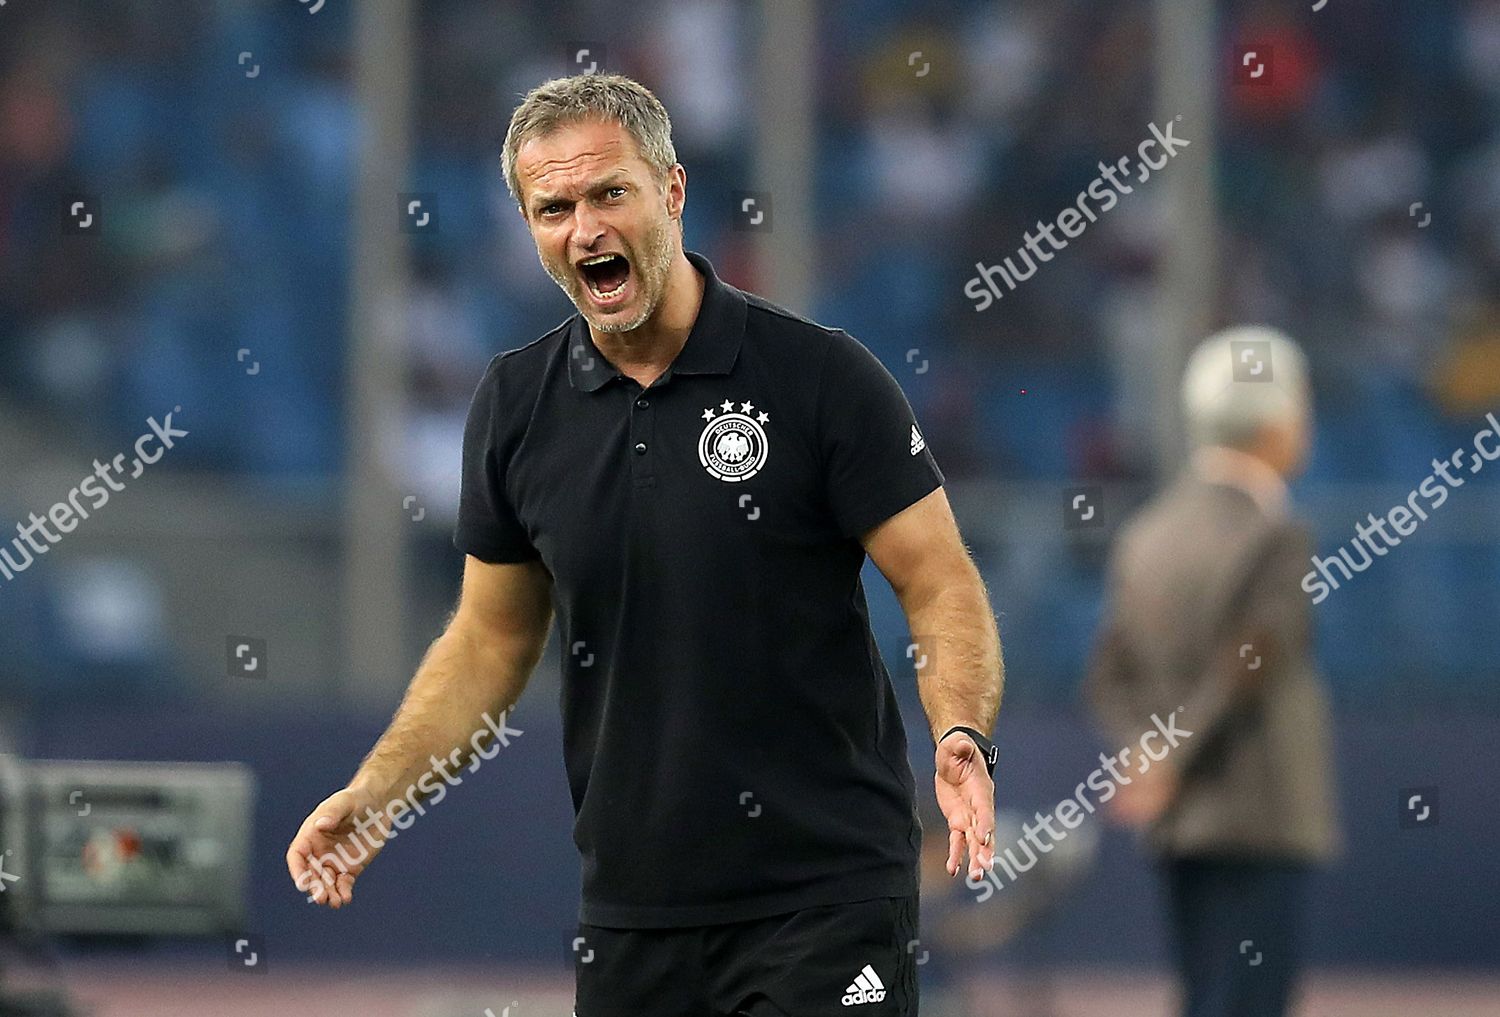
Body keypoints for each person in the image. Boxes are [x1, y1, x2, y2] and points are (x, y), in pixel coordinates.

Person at [286, 73, 1004, 1017]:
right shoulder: (514, 406)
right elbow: (489, 641)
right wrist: (378, 792)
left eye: (607, 193)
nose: (584, 227)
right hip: (635, 912)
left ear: (670, 192)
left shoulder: (820, 376)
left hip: (825, 894)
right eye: (553, 208)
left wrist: (960, 733)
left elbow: (938, 580)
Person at [1085, 326, 1340, 1017]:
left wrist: (1147, 755)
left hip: (1180, 823)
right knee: (1250, 999)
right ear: (1277, 423)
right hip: (1259, 815)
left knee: (1204, 994)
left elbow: (1109, 673)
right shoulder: (1278, 535)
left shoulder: (1146, 534)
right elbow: (1252, 660)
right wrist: (1172, 754)